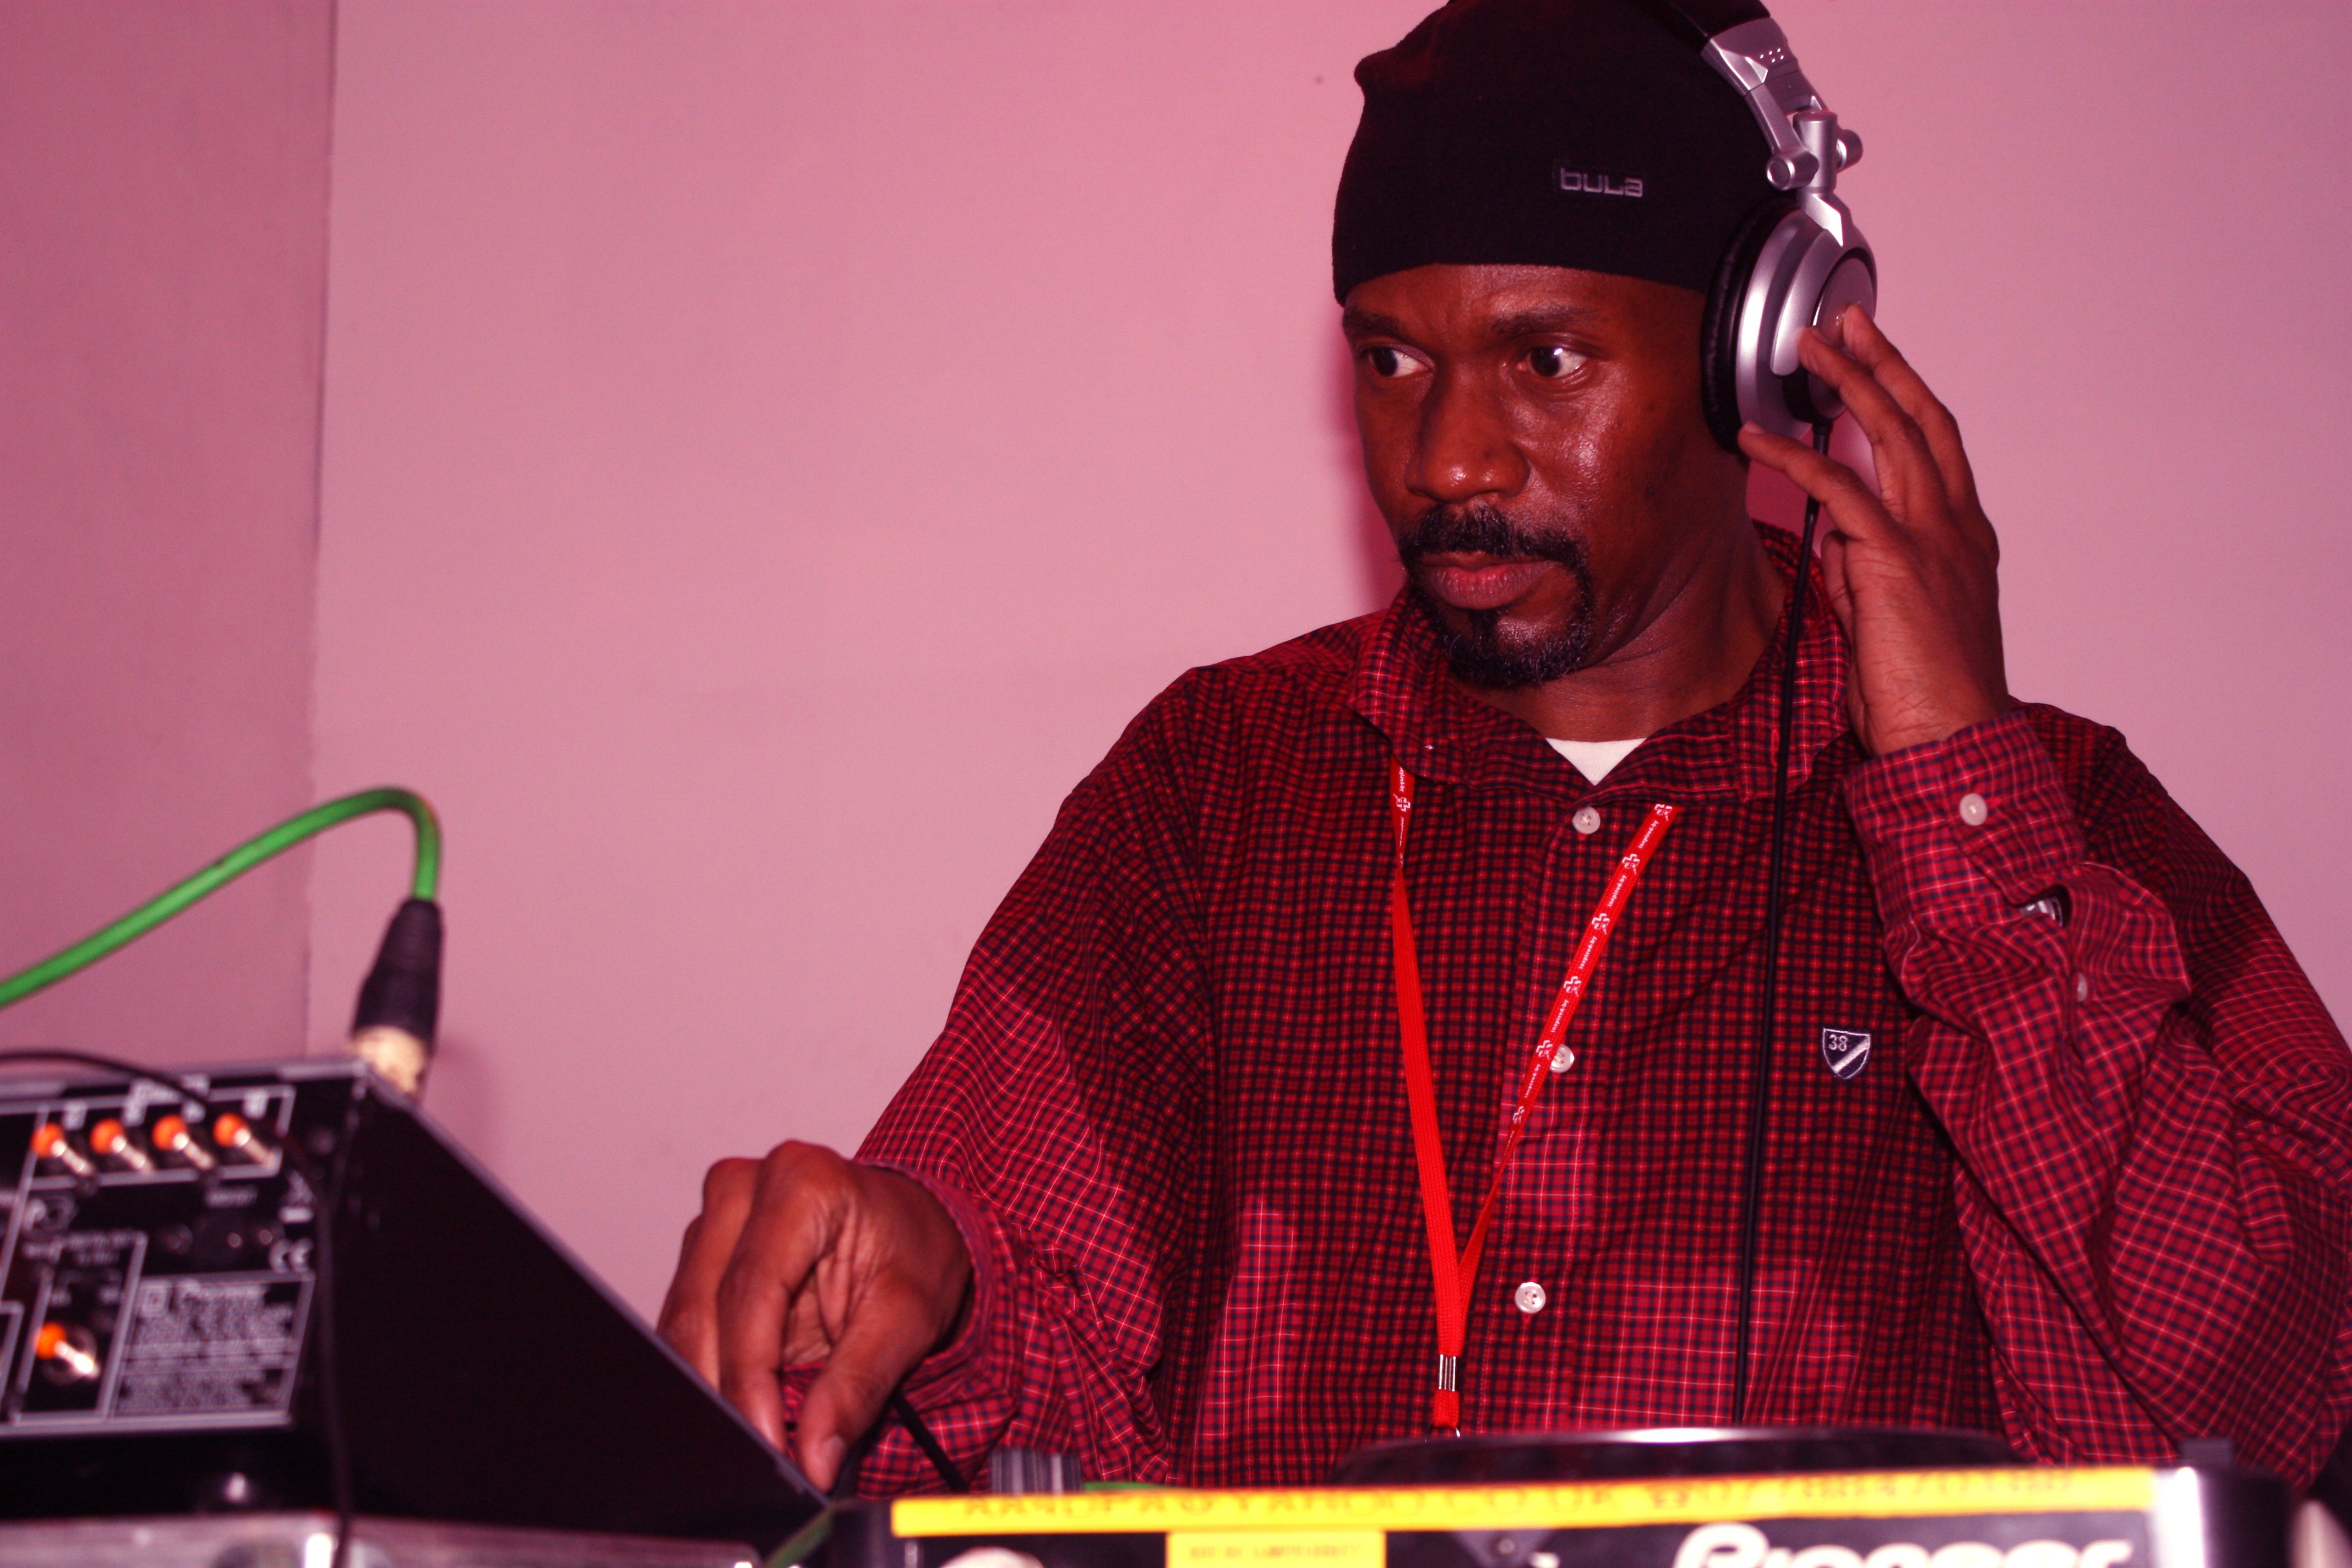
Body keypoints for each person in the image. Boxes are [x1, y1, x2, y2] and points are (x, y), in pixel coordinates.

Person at [657, 0, 2352, 1496]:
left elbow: (2268, 1420)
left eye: (1548, 360)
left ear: (1761, 364)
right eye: (1392, 360)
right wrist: (929, 1280)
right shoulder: (1217, 785)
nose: (1450, 458)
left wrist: (1957, 812)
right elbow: (1031, 1401)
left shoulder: (2061, 827)